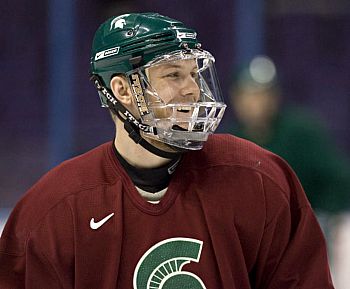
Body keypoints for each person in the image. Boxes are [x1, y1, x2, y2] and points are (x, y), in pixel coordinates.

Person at [0, 13, 334, 289]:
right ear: (123, 90)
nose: (192, 89)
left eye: (194, 73)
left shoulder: (259, 179)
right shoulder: (53, 210)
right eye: (173, 74)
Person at [229, 55, 350, 214]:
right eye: (249, 94)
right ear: (236, 98)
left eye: (263, 94)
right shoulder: (228, 143)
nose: (257, 103)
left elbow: (340, 180)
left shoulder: (301, 132)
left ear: (276, 97)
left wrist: (326, 216)